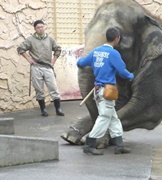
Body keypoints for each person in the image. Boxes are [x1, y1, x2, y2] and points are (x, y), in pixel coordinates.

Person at [77, 27, 134, 155]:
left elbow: (82, 62)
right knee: (104, 117)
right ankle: (90, 144)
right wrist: (131, 76)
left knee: (113, 119)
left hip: (98, 91)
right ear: (117, 39)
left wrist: (79, 62)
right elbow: (122, 72)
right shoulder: (113, 54)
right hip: (107, 91)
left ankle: (119, 145)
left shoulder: (95, 52)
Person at [17, 20, 64, 117]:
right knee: (39, 89)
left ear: (45, 27)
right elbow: (20, 49)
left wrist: (53, 61)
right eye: (38, 27)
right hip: (36, 67)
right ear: (35, 29)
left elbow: (58, 49)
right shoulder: (31, 39)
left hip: (47, 66)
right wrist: (29, 59)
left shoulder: (50, 38)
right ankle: (43, 110)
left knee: (53, 88)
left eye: (42, 27)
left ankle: (58, 109)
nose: (41, 29)